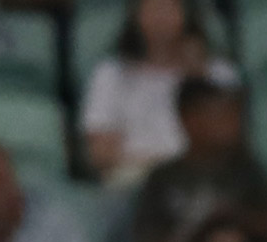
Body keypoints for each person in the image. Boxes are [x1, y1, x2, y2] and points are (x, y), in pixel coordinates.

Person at [128, 76, 267, 242]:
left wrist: (236, 216)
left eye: (235, 115)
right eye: (221, 116)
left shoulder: (246, 170)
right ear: (190, 120)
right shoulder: (163, 177)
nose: (234, 124)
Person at [82, 0, 236, 187]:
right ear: (136, 15)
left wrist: (198, 80)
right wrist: (156, 165)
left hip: (200, 176)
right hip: (137, 177)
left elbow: (229, 143)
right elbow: (101, 154)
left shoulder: (220, 74)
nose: (161, 18)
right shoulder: (110, 75)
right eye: (153, 9)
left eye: (169, 8)